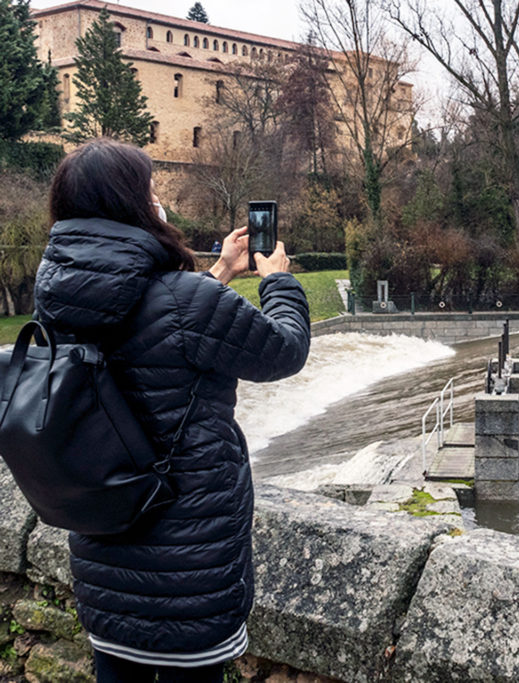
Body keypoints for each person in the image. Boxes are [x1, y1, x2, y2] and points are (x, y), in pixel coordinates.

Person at [34, 138, 310, 682]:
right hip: (190, 569)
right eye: (151, 191)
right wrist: (277, 281)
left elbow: (147, 322)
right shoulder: (186, 300)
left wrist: (219, 273)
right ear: (131, 205)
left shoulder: (57, 294)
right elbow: (283, 351)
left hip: (104, 556)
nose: (159, 201)